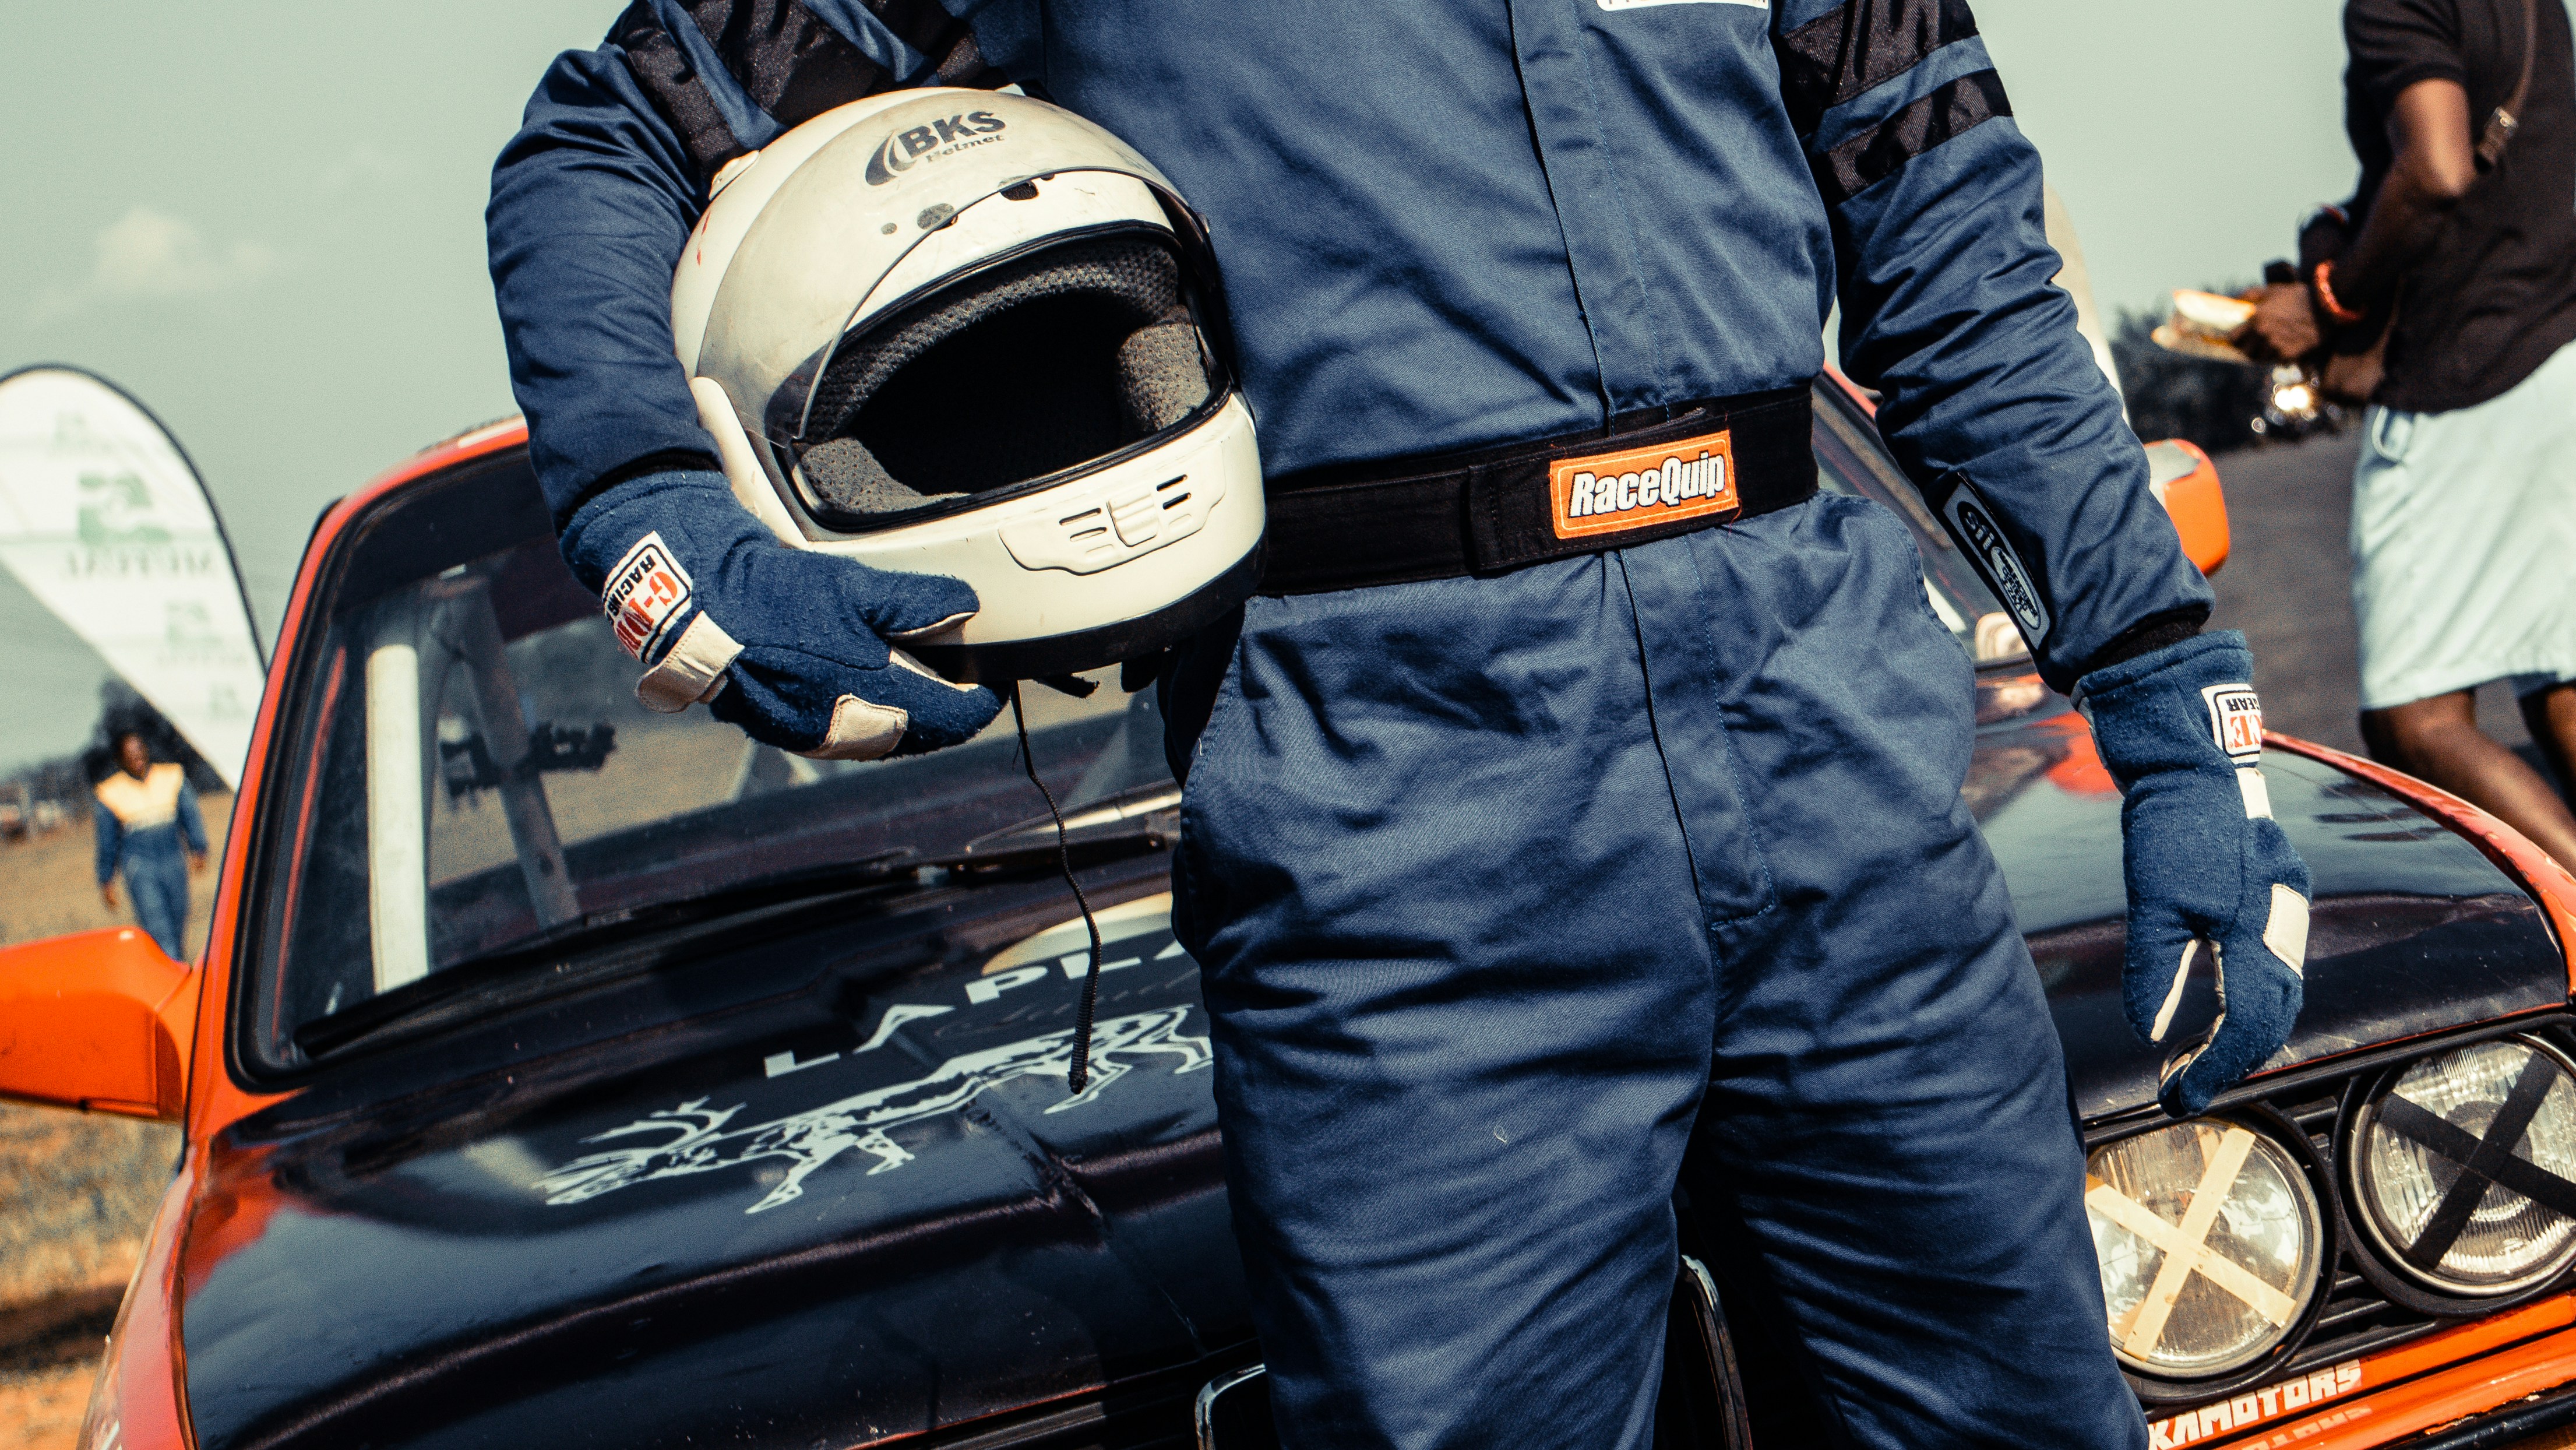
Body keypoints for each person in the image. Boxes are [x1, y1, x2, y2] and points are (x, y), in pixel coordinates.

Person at [489, 5, 2310, 1445]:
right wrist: (659, 520)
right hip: (1397, 833)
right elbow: (617, 132)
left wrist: (2161, 681)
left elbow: (1959, 266)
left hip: (1846, 764)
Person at [2241, 0, 2576, 867]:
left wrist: (2329, 301)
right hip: (2558, 346)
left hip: (2467, 373)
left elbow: (2436, 167)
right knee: (2561, 679)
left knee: (2414, 716)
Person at [92, 730, 209, 961]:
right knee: (159, 930)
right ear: (120, 759)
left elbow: (190, 815)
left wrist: (199, 847)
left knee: (178, 923)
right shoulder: (109, 792)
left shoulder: (172, 776)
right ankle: (173, 976)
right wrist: (106, 880)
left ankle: (177, 969)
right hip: (140, 865)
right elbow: (107, 841)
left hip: (173, 858)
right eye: (129, 754)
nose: (137, 758)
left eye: (139, 751)